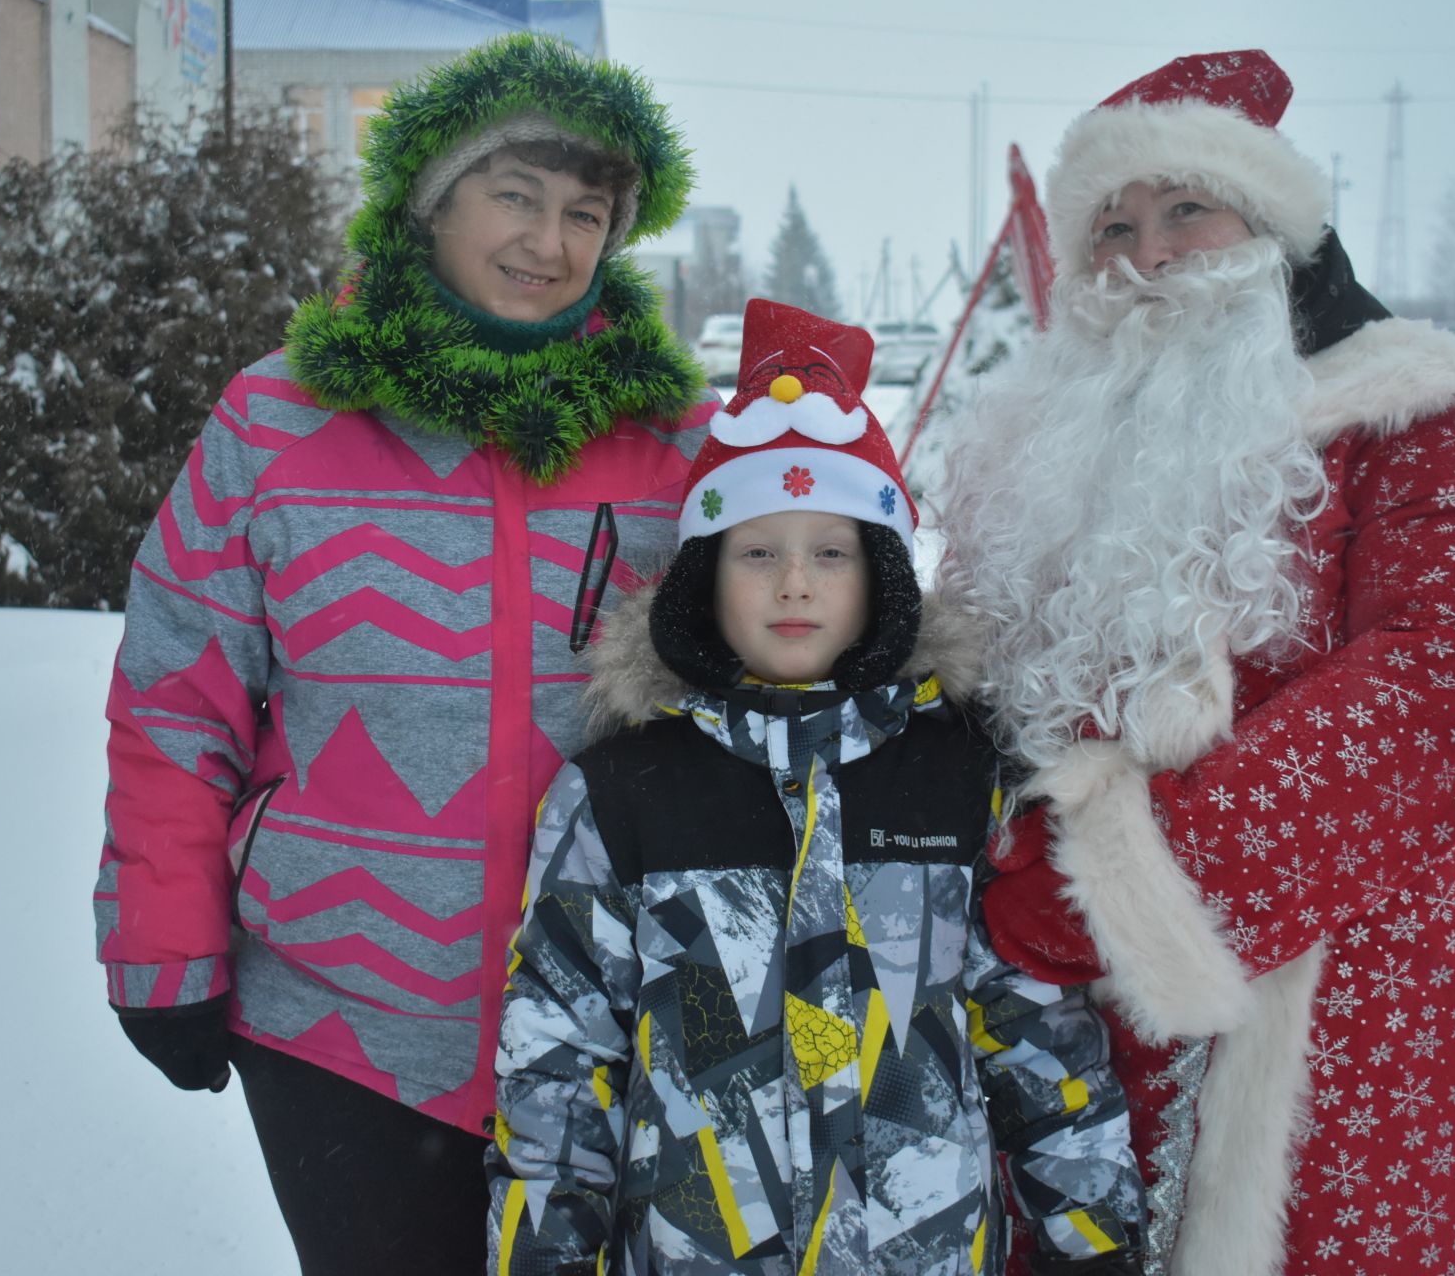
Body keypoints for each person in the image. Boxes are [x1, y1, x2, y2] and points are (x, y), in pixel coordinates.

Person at [92, 32, 719, 1273]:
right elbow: (177, 702)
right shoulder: (276, 423)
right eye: (515, 196)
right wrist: (162, 942)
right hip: (336, 1019)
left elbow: (809, 641)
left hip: (613, 1018)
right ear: (432, 199)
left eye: (586, 213)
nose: (550, 242)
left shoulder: (675, 443)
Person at [935, 51, 1455, 1276]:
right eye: (1111, 226)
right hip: (1063, 1031)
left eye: (1184, 212)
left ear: (1271, 227)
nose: (1147, 255)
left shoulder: (1415, 420)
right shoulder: (1045, 453)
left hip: (1343, 1027)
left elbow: (1446, 683)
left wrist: (1109, 887)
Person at [486, 299, 1147, 1274]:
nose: (794, 581)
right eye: (759, 552)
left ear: (879, 573)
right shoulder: (624, 790)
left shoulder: (958, 772)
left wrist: (1090, 1238)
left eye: (829, 552)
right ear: (704, 574)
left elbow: (1037, 1028)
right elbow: (556, 1054)